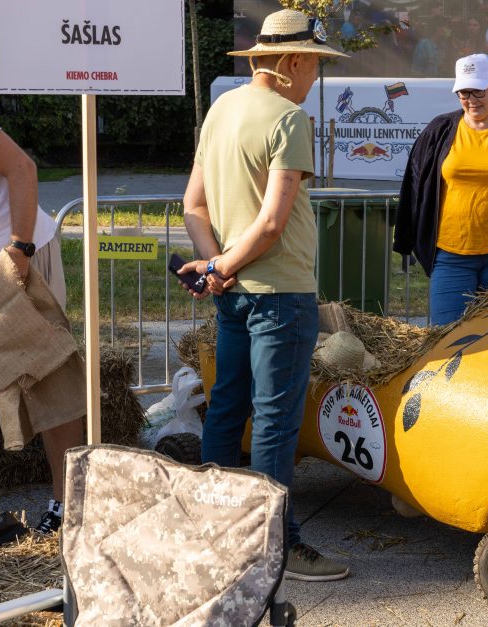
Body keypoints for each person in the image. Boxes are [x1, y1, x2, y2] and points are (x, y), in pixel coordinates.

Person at [178, 9, 349, 582]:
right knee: (275, 422)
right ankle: (277, 546)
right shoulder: (288, 118)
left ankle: (214, 531)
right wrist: (222, 264)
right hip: (281, 292)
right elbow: (274, 222)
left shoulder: (221, 109)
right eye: (316, 67)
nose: (315, 79)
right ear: (293, 62)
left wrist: (214, 267)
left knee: (226, 407)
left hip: (234, 291)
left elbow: (192, 205)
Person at [0, 101, 83, 533]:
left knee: (47, 380)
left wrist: (20, 250)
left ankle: (69, 507)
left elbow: (23, 168)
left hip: (13, 259)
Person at [393, 53, 488, 325]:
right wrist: (406, 238)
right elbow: (414, 183)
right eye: (463, 92)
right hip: (450, 255)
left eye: (478, 90)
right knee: (445, 337)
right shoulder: (439, 130)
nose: (471, 99)